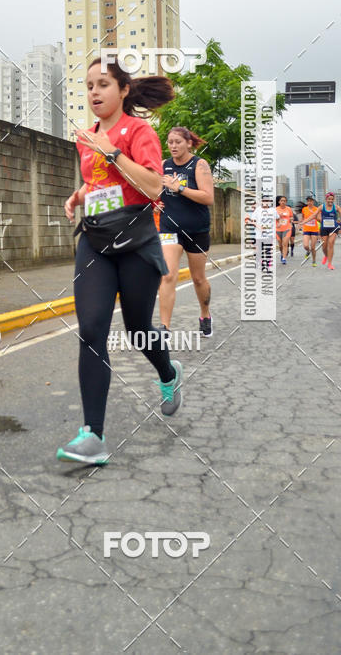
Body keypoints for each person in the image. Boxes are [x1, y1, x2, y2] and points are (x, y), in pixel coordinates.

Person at [58, 58, 180, 466]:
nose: (94, 92)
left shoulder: (138, 131)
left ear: (123, 90)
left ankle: (168, 373)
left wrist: (112, 152)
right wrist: (79, 196)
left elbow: (152, 186)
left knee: (138, 330)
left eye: (103, 84)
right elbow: (99, 182)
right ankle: (93, 436)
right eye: (89, 85)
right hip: (95, 240)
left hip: (135, 240)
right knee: (91, 328)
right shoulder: (85, 137)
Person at [157, 127, 215, 337]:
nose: (173, 146)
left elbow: (208, 197)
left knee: (198, 278)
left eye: (178, 142)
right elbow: (154, 190)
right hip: (169, 227)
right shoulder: (163, 165)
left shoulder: (199, 165)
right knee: (167, 275)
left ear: (189, 143)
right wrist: (155, 202)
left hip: (196, 229)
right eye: (170, 142)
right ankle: (164, 327)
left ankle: (205, 314)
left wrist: (179, 188)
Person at [316, 192, 341, 270]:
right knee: (324, 246)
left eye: (332, 199)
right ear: (326, 199)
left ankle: (330, 263)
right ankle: (326, 256)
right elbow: (316, 216)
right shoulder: (321, 207)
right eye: (329, 199)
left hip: (333, 228)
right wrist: (321, 220)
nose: (330, 200)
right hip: (324, 228)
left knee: (331, 243)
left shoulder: (336, 207)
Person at [298, 196, 319, 266]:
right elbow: (303, 218)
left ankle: (314, 261)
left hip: (314, 230)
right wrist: (300, 224)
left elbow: (319, 218)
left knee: (313, 247)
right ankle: (308, 251)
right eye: (308, 201)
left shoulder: (317, 209)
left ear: (313, 202)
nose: (309, 202)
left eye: (311, 201)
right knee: (306, 245)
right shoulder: (304, 209)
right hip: (306, 229)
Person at [275, 195, 294, 264]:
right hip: (278, 229)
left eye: (284, 201)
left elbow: (291, 217)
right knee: (280, 245)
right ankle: (282, 253)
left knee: (285, 243)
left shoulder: (289, 209)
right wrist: (279, 217)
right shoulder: (275, 209)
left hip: (287, 228)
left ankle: (284, 258)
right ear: (279, 202)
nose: (283, 202)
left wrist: (291, 220)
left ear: (286, 202)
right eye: (282, 201)